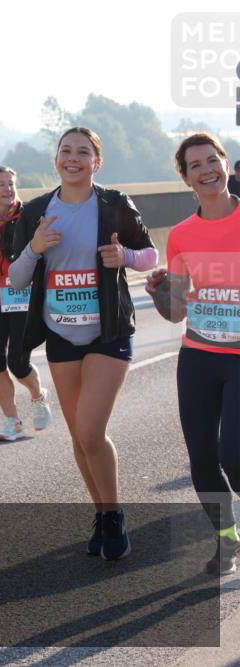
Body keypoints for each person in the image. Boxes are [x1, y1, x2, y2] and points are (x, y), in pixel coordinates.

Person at [8, 127, 157, 561]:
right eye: (66, 151)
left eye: (83, 152)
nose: (73, 158)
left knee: (91, 431)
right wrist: (35, 247)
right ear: (56, 159)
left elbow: (150, 255)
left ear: (97, 162)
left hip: (109, 331)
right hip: (61, 334)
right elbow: (16, 278)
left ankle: (114, 514)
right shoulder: (37, 211)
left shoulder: (114, 204)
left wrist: (125, 257)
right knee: (79, 437)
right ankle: (102, 512)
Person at [146, 132, 240, 576]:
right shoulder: (182, 235)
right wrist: (160, 292)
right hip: (199, 357)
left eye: (212, 160)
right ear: (185, 178)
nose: (207, 170)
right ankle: (228, 539)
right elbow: (176, 311)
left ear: (225, 163)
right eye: (195, 165)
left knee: (233, 457)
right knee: (202, 460)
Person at [0, 166, 53, 441]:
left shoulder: (29, 217)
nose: (8, 189)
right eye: (2, 184)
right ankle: (13, 421)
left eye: (11, 183)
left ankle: (38, 395)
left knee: (18, 363)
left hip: (23, 297)